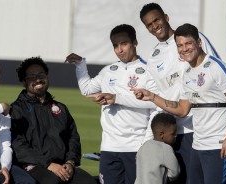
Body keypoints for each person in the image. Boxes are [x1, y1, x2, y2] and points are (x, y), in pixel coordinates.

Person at [133, 23, 226, 184]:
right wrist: (152, 96)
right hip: (198, 145)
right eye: (180, 45)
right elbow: (182, 109)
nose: (184, 48)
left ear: (199, 43)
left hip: (218, 145)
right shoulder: (188, 73)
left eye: (188, 43)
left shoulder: (215, 67)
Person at [65, 24, 158, 184]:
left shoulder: (149, 71)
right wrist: (81, 65)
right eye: (115, 45)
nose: (119, 49)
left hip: (136, 147)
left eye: (124, 44)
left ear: (135, 43)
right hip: (109, 147)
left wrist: (146, 142)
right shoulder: (109, 70)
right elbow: (87, 89)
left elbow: (156, 105)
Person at [139, 3, 220, 183]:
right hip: (173, 131)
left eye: (157, 20)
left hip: (199, 127)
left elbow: (214, 70)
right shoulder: (153, 59)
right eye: (149, 24)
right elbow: (159, 97)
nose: (154, 26)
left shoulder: (191, 40)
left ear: (166, 18)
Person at [10, 57, 97, 184]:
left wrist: (70, 162)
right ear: (24, 82)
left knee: (88, 182)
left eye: (41, 74)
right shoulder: (17, 109)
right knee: (53, 181)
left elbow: (73, 139)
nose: (38, 79)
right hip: (33, 166)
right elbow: (18, 145)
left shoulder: (60, 108)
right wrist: (48, 164)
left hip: (63, 166)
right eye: (32, 76)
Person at [0, 60, 36, 184]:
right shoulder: (0, 108)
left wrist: (5, 166)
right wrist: (0, 107)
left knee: (27, 182)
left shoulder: (1, 111)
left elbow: (5, 146)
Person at [135, 113, 180, 184]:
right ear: (161, 134)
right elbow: (175, 172)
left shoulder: (144, 145)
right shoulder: (166, 148)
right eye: (173, 134)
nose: (176, 136)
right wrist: (165, 177)